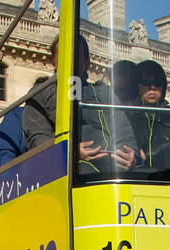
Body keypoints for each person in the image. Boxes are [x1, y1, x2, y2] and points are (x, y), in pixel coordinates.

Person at [23, 36, 137, 176]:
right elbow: (38, 139)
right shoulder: (40, 93)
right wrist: (70, 153)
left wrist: (131, 155)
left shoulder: (105, 92)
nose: (70, 59)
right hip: (69, 170)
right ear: (54, 62)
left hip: (114, 168)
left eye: (76, 55)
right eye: (64, 54)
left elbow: (124, 131)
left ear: (87, 63)